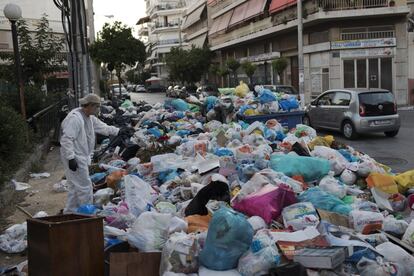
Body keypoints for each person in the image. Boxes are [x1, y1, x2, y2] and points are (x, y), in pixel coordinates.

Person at [60, 94, 131, 213]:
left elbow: (103, 127)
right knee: (85, 187)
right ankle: (86, 213)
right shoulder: (75, 119)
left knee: (74, 187)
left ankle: (71, 211)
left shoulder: (89, 117)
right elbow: (66, 139)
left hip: (80, 156)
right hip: (75, 156)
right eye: (97, 107)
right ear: (90, 106)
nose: (98, 109)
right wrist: (71, 158)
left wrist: (119, 131)